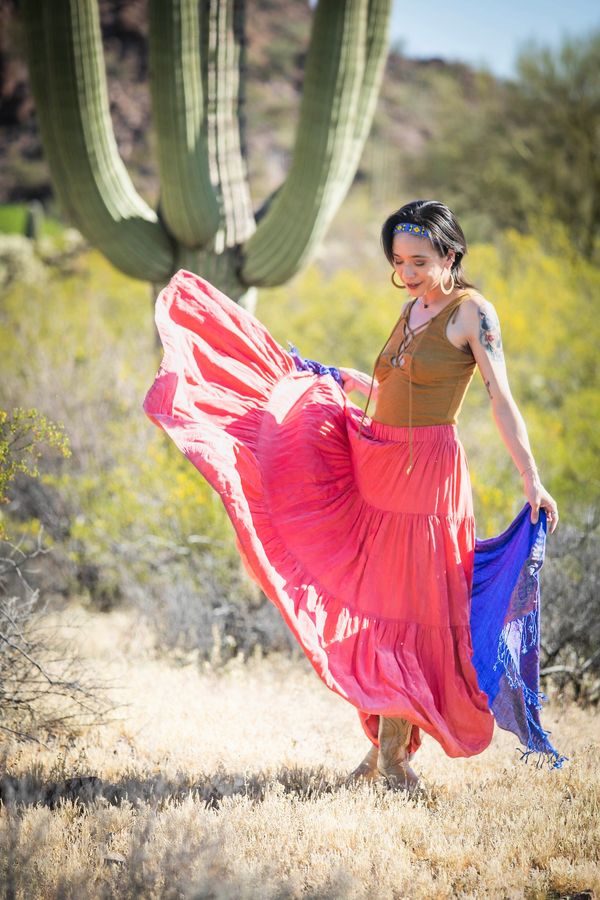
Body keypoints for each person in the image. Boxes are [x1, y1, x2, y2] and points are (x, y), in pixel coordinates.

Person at [143, 199, 564, 796]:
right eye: (399, 262)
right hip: (379, 460)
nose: (410, 272)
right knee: (375, 601)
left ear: (450, 253)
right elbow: (392, 387)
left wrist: (531, 476)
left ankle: (392, 758)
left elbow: (500, 398)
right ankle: (383, 753)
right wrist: (335, 377)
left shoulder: (473, 313)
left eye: (420, 260)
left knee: (409, 609)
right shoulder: (410, 308)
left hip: (426, 478)